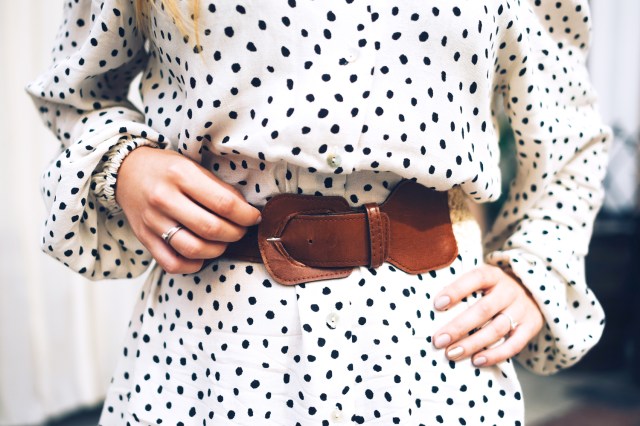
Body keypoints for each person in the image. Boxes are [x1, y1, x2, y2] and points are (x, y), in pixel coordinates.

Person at [27, 0, 611, 424]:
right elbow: (73, 95)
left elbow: (567, 130)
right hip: (211, 353)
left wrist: (540, 265)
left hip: (432, 353)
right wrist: (124, 166)